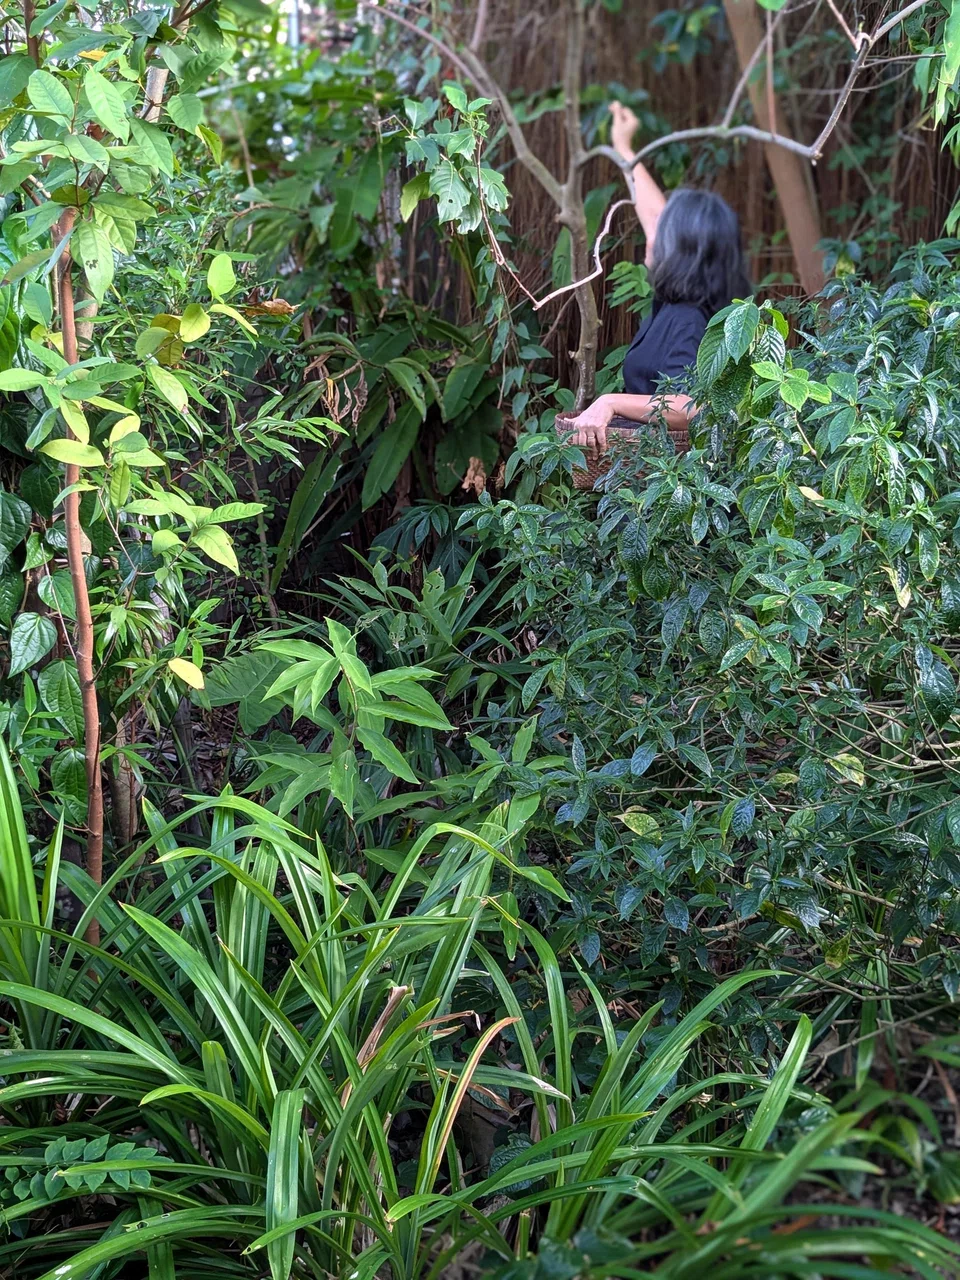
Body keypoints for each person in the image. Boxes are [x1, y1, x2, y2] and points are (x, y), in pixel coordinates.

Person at [567, 101, 751, 453]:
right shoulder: (680, 298)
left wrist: (611, 402)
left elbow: (690, 406)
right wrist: (624, 147)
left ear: (682, 251)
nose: (650, 235)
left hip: (671, 485)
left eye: (661, 235)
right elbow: (655, 216)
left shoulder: (688, 319)